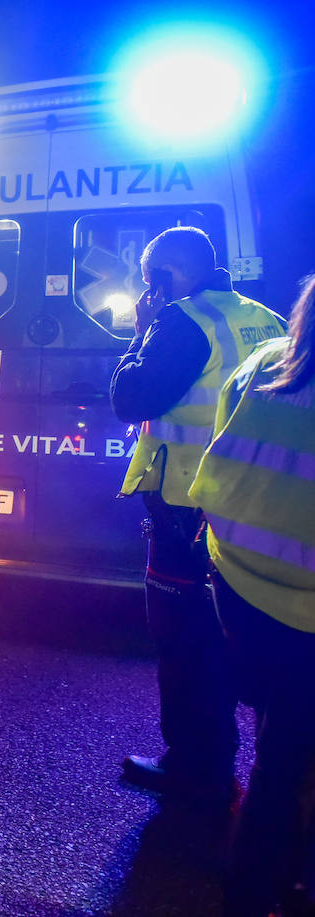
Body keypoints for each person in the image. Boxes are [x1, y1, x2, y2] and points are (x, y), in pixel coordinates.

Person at [110, 226, 286, 800]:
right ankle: (253, 762)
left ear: (163, 277)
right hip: (253, 501)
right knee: (236, 632)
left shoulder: (181, 322)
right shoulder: (264, 317)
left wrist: (140, 334)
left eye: (149, 281)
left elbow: (131, 399)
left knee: (183, 637)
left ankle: (195, 765)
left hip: (187, 505)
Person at [189, 275, 315, 917]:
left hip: (237, 582)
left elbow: (223, 445)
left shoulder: (264, 364)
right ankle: (259, 889)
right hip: (304, 606)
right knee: (288, 757)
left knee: (279, 733)